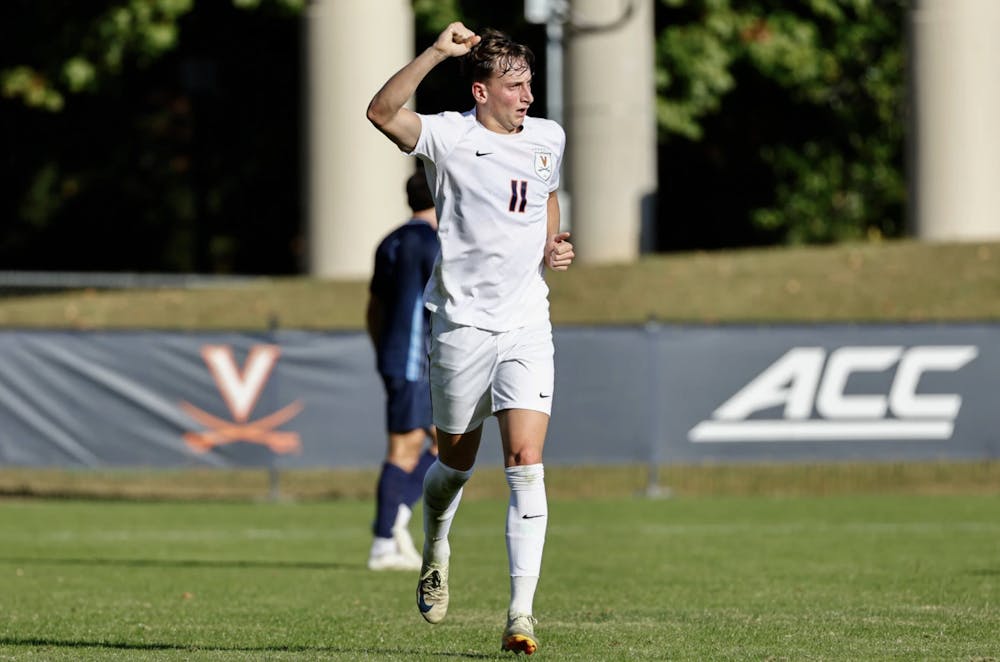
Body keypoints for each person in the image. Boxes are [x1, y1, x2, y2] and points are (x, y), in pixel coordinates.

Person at [366, 23, 575, 655]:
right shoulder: (450, 135)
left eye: (530, 83)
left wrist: (552, 242)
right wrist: (435, 52)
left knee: (524, 465)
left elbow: (548, 195)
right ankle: (435, 544)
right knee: (453, 465)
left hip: (526, 326)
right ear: (481, 91)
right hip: (459, 327)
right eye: (514, 86)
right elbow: (380, 112)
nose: (527, 96)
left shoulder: (548, 137)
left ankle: (520, 614)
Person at [366, 168, 440, 572]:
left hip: (397, 356)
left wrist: (382, 351)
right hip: (418, 358)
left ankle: (395, 523)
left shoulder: (390, 240)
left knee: (441, 443)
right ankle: (384, 538)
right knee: (406, 447)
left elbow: (374, 307)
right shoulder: (433, 242)